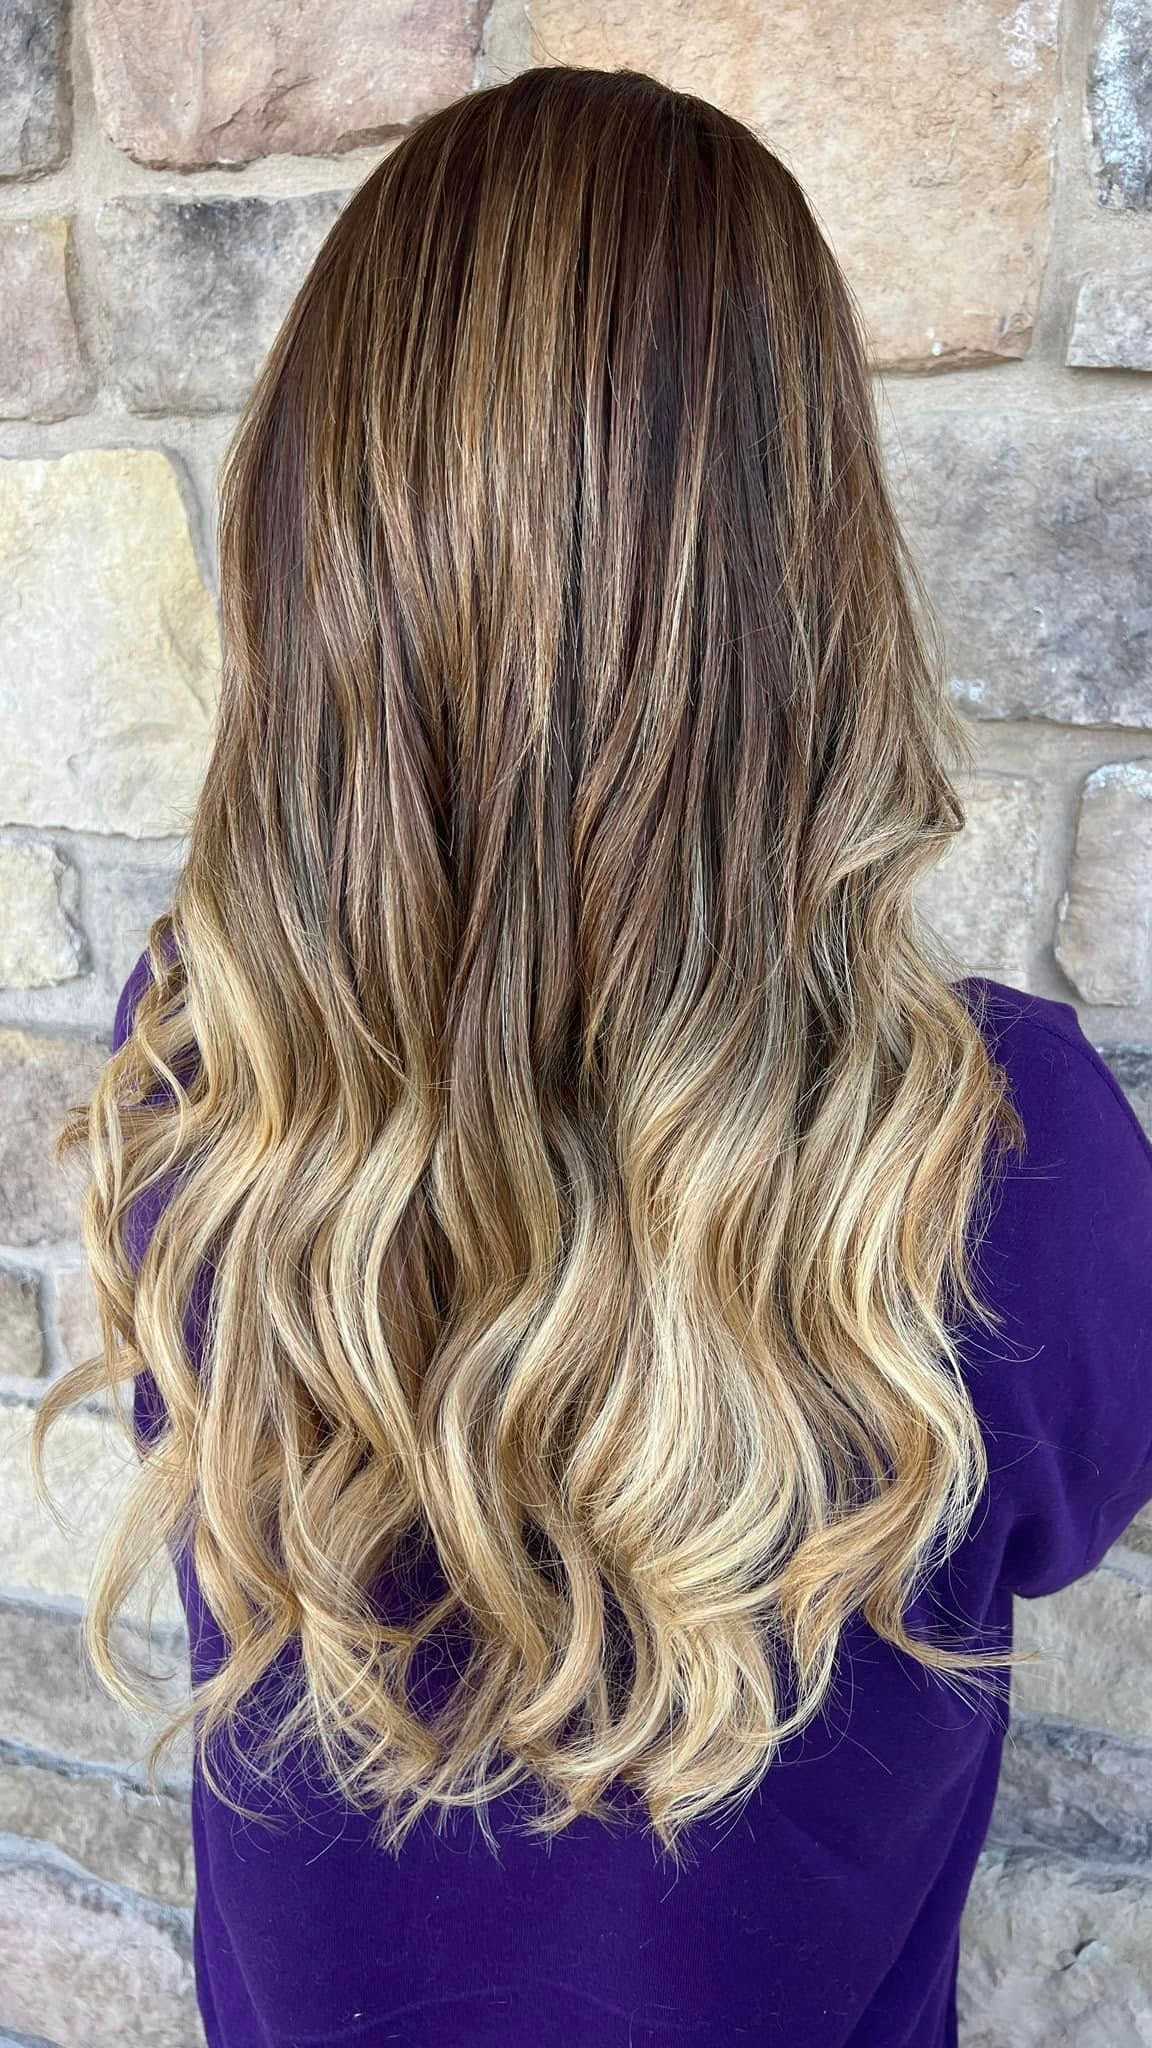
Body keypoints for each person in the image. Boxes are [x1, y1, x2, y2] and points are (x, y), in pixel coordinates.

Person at [33, 62, 1152, 2048]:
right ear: (811, 591)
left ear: (325, 549)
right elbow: (1074, 1500)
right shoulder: (1018, 1158)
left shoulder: (203, 1067)